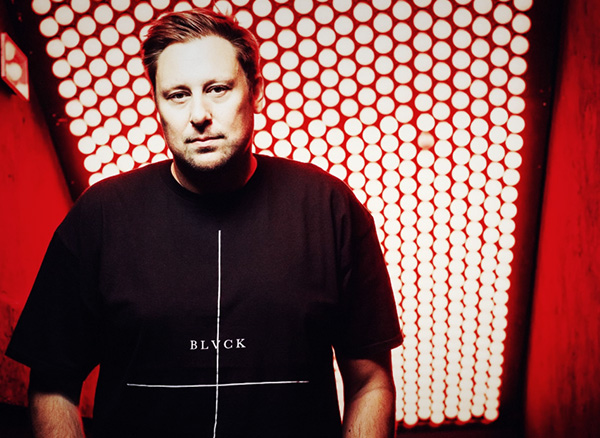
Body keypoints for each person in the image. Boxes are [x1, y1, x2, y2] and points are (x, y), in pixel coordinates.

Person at [7, 8, 402, 438]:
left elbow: (370, 383)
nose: (199, 114)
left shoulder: (329, 208)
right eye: (178, 95)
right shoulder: (99, 216)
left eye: (217, 89)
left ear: (255, 92)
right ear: (157, 105)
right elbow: (52, 385)